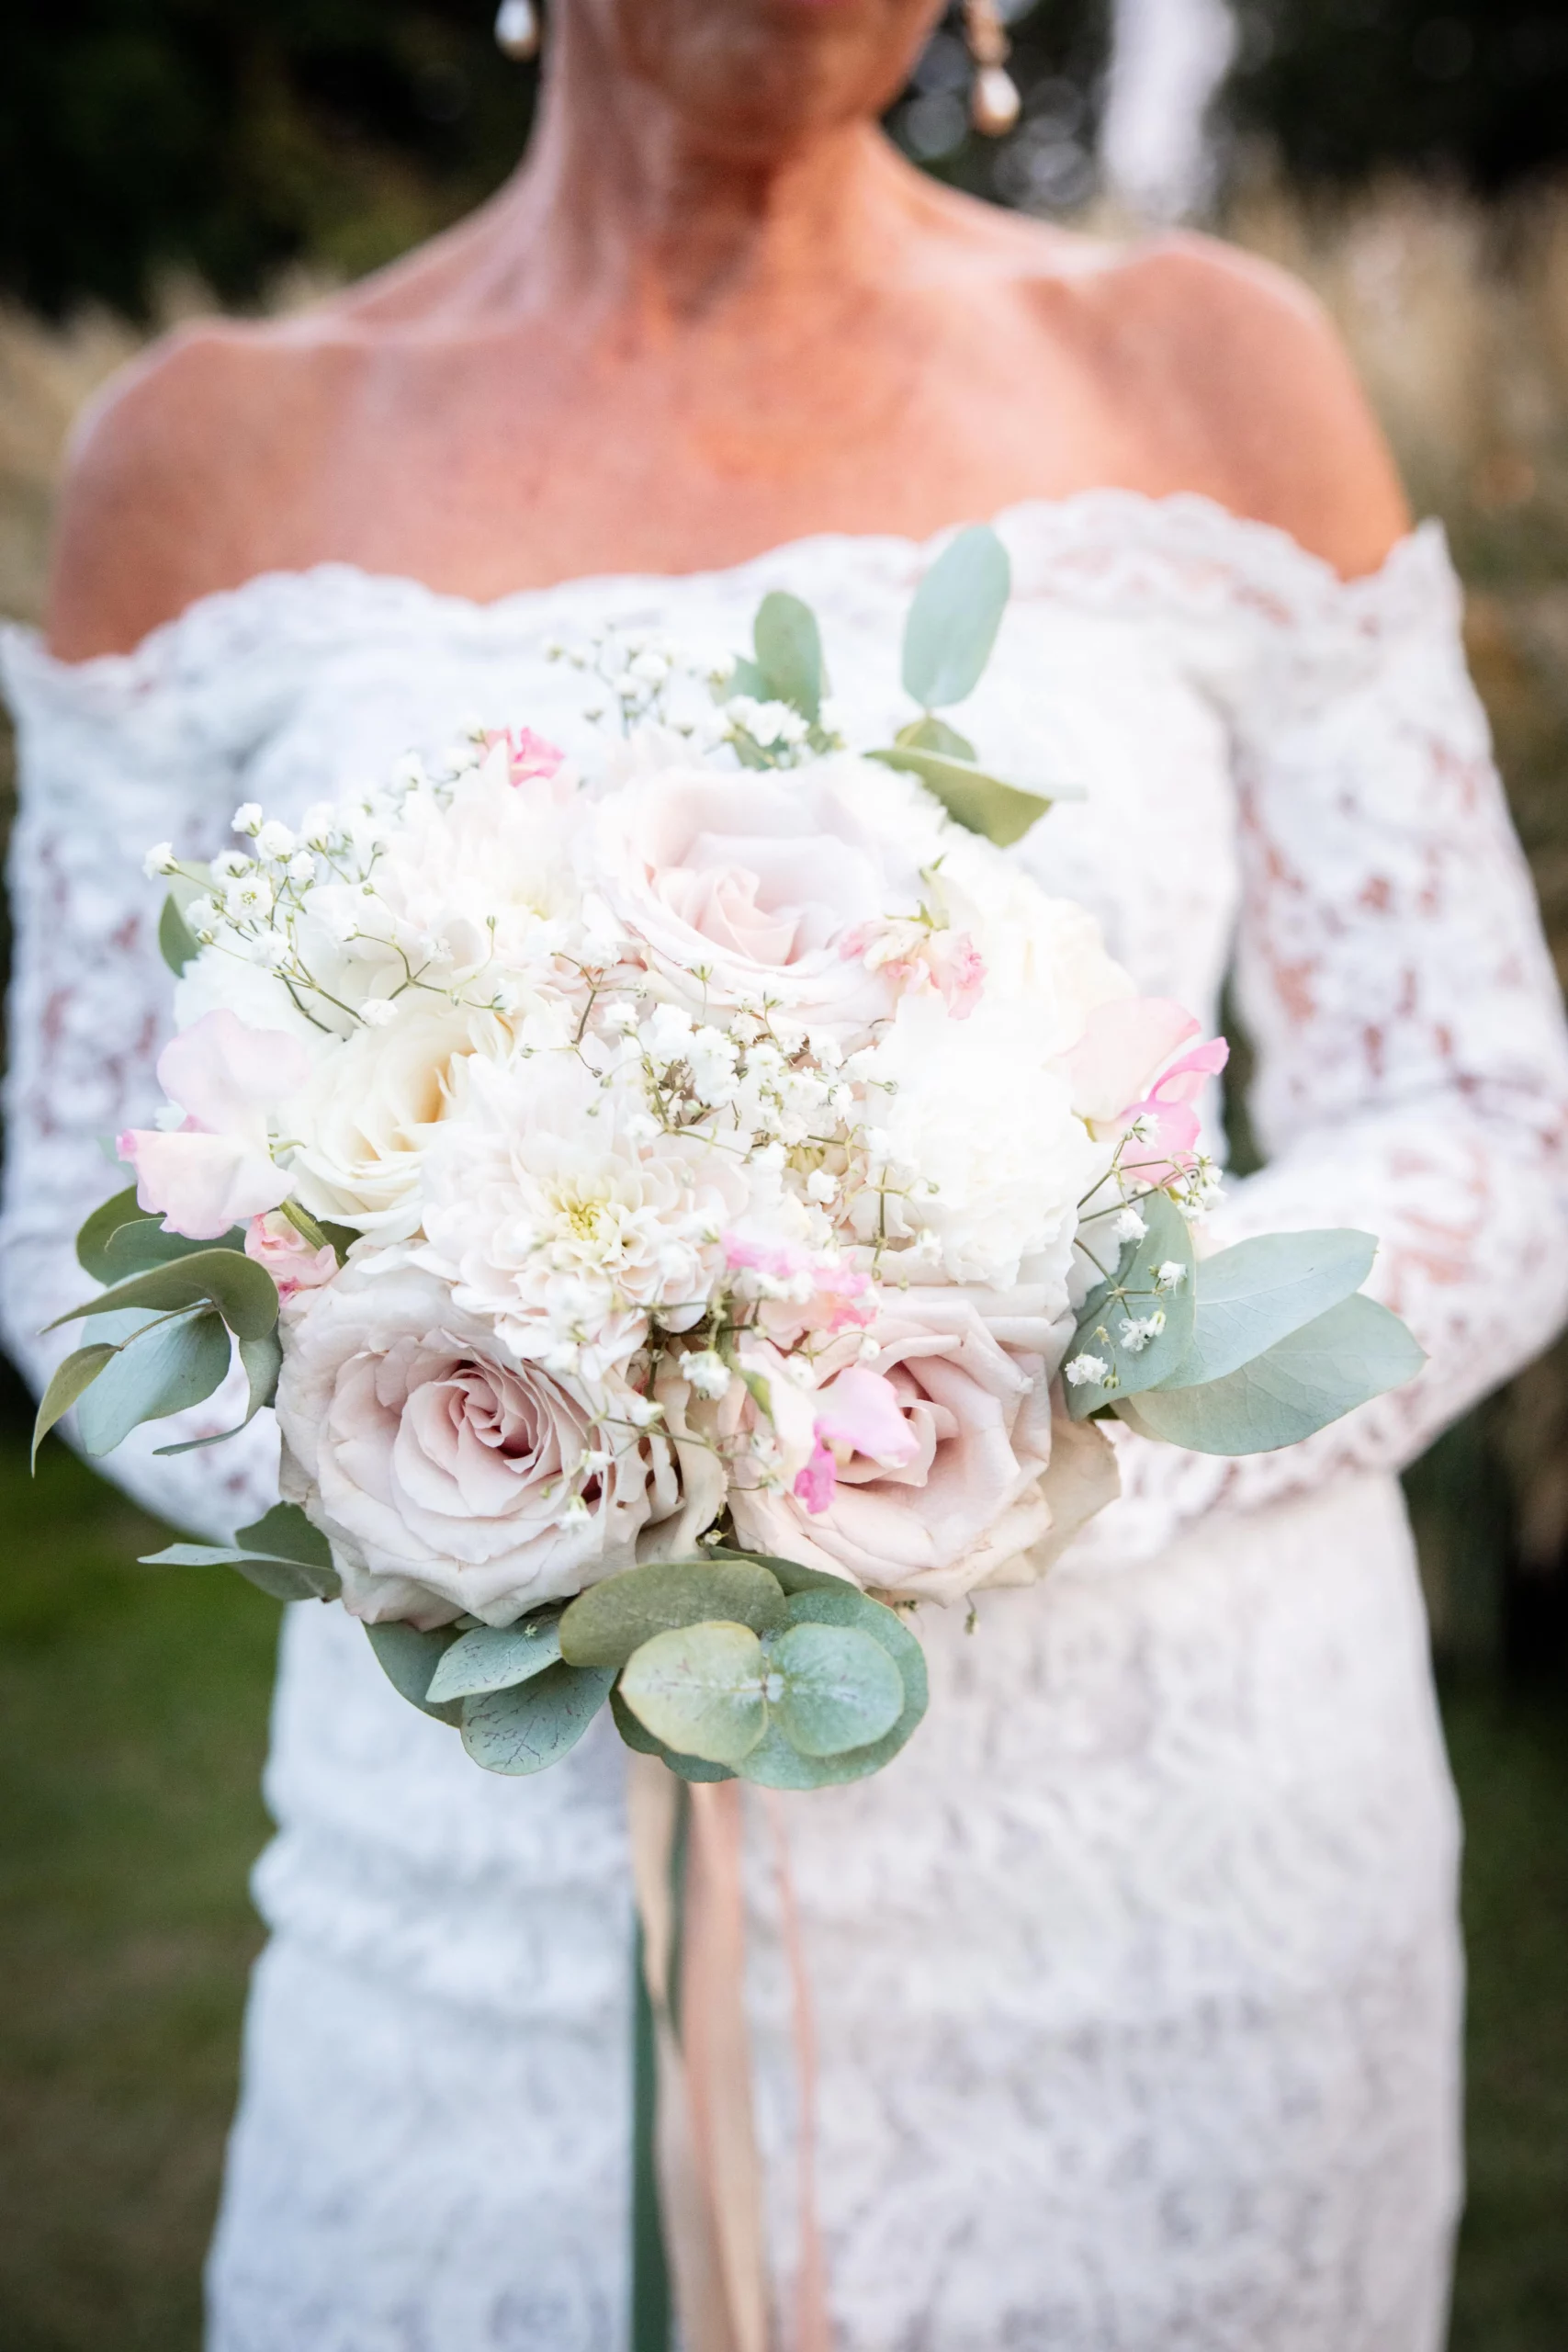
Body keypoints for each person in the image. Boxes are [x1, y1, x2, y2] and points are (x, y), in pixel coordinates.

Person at [6, 4, 1568, 2346]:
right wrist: (491, 1473)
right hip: (491, 1910)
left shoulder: (1202, 375)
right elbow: (73, 1214)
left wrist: (944, 1432)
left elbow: (1487, 1110)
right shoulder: (208, 455)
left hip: (1179, 1887)